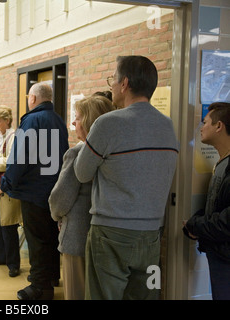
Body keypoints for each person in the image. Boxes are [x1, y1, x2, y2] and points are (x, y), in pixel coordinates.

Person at [74, 55, 179, 300]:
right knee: (146, 295)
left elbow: (82, 173)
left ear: (124, 84)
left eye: (113, 79)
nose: (111, 85)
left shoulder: (107, 124)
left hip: (111, 232)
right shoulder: (167, 125)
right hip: (152, 234)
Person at [0, 82, 69, 300]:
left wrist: (4, 185)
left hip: (34, 191)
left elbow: (19, 159)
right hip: (54, 190)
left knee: (36, 240)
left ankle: (39, 287)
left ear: (33, 99)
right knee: (50, 236)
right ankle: (52, 276)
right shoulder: (59, 121)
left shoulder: (31, 120)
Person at [49, 95, 115, 300]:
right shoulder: (115, 152)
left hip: (77, 237)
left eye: (77, 118)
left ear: (88, 122)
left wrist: (57, 216)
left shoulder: (77, 153)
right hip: (108, 238)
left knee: (76, 292)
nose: (73, 123)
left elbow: (60, 198)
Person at [183, 102, 230, 300]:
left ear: (219, 126)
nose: (201, 128)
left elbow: (227, 222)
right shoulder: (222, 162)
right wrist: (196, 222)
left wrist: (196, 224)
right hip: (219, 256)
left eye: (205, 122)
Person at [0, 105, 22, 278]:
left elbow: (10, 161)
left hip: (6, 188)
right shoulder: (0, 137)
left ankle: (13, 263)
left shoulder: (15, 137)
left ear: (7, 120)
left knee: (8, 225)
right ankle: (0, 256)